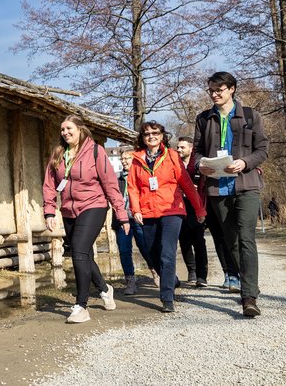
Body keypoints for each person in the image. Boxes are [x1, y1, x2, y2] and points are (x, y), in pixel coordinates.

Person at [193, 71, 268, 317]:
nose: (214, 94)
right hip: (217, 187)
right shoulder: (204, 119)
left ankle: (249, 296)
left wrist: (244, 162)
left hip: (246, 185)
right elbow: (196, 152)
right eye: (211, 91)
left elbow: (262, 149)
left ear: (232, 89)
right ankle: (245, 280)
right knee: (231, 241)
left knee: (246, 238)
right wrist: (199, 165)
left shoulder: (250, 116)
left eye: (219, 90)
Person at [43, 115, 130, 323]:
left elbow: (110, 183)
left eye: (69, 128)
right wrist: (49, 211)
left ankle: (81, 306)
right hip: (68, 210)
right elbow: (49, 184)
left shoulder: (95, 151)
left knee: (79, 251)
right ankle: (104, 288)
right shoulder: (58, 153)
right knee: (82, 254)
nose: (65, 132)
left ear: (80, 129)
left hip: (94, 205)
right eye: (62, 129)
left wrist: (121, 214)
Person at [127, 121, 206, 313]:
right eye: (147, 134)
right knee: (152, 254)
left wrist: (199, 209)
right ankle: (172, 279)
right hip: (147, 211)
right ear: (142, 138)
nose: (151, 136)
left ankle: (167, 297)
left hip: (172, 210)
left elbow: (186, 184)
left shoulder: (172, 156)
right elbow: (133, 187)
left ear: (162, 136)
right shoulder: (137, 159)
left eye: (155, 133)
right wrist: (136, 209)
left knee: (167, 253)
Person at [112, 148, 155, 295]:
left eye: (127, 158)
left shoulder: (142, 176)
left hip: (139, 218)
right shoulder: (117, 179)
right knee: (124, 251)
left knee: (146, 247)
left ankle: (156, 272)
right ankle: (130, 281)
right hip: (122, 220)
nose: (123, 161)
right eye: (122, 158)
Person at [176, 136, 209, 287]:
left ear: (190, 148)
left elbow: (204, 186)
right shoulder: (174, 164)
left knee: (199, 241)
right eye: (178, 147)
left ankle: (202, 275)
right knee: (184, 241)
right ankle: (192, 270)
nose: (179, 150)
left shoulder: (197, 165)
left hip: (196, 207)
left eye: (182, 147)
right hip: (180, 207)